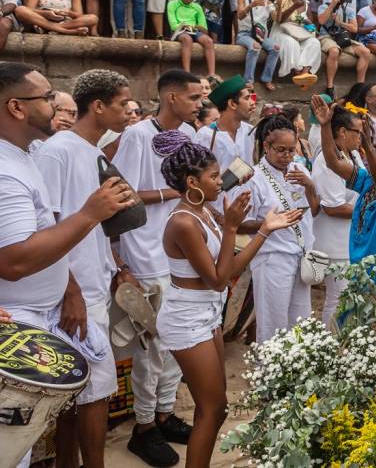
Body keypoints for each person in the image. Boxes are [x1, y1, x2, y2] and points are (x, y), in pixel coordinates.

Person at [0, 63, 132, 468]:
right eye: (46, 98)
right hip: (20, 318)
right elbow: (15, 260)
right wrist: (90, 214)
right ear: (16, 107)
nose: (59, 104)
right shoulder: (9, 169)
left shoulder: (22, 157)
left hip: (42, 308)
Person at [152, 130, 301, 467]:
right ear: (192, 181)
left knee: (217, 408)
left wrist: (265, 228)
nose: (222, 182)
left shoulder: (204, 210)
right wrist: (235, 226)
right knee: (211, 409)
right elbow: (220, 280)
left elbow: (229, 266)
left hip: (207, 314)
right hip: (186, 319)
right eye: (214, 176)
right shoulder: (184, 222)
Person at [104, 69, 202, 465]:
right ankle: (143, 428)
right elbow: (121, 192)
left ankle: (165, 414)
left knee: (179, 341)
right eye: (194, 97)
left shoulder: (192, 137)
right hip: (145, 254)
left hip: (180, 251)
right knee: (152, 347)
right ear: (172, 98)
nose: (199, 104)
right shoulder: (138, 135)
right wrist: (173, 191)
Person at [237, 114, 319, 342]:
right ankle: (268, 374)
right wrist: (270, 223)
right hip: (273, 257)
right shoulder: (255, 178)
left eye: (291, 150)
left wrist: (310, 187)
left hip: (301, 254)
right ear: (266, 146)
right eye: (281, 150)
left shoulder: (299, 170)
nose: (287, 156)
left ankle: (294, 372)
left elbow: (315, 211)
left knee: (300, 321)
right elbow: (239, 224)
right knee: (273, 322)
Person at [311, 96, 376, 263]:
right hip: (358, 266)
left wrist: (368, 146)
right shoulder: (367, 180)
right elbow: (333, 162)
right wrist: (325, 126)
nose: (374, 155)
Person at [312, 107, 361, 326]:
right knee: (338, 298)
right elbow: (332, 207)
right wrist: (369, 210)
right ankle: (331, 345)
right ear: (342, 132)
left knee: (350, 298)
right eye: (357, 132)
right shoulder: (326, 159)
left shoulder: (354, 154)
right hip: (334, 241)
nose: (361, 137)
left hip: (350, 238)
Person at [194, 75, 256, 175]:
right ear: (232, 104)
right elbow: (199, 175)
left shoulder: (251, 131)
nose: (252, 103)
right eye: (247, 98)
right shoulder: (206, 135)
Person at [317, 0, 370, 95]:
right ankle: (330, 87)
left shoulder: (348, 9)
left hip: (342, 37)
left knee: (365, 52)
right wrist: (332, 5)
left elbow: (354, 28)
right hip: (327, 36)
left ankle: (360, 86)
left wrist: (339, 22)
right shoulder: (324, 6)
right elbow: (321, 20)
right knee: (334, 51)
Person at [234, 0, 279, 91]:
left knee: (275, 48)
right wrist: (250, 6)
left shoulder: (268, 2)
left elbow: (277, 19)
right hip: (244, 34)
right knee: (255, 47)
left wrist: (278, 6)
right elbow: (240, 16)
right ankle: (248, 80)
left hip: (261, 35)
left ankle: (266, 78)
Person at [271, 0, 320, 85]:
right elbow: (279, 20)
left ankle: (305, 73)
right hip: (282, 32)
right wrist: (294, 7)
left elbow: (311, 24)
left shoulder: (305, 3)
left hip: (300, 33)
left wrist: (308, 23)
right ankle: (298, 74)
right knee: (290, 42)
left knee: (314, 42)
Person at [168, 0, 218, 80]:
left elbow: (204, 28)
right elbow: (173, 25)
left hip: (195, 31)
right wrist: (188, 27)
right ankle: (187, 72)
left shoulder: (197, 7)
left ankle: (212, 74)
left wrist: (193, 27)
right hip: (179, 31)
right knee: (187, 39)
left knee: (208, 41)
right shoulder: (172, 4)